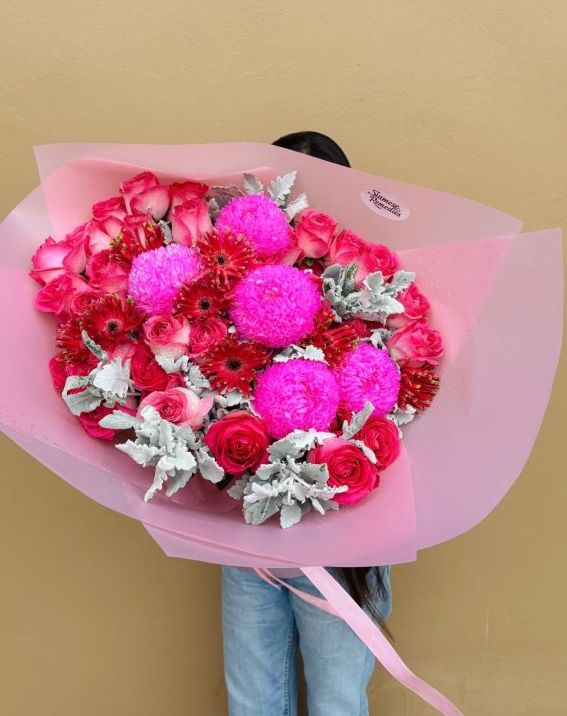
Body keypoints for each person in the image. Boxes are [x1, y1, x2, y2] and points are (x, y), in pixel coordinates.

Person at [221, 130, 393, 716]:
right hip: (249, 531)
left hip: (345, 533)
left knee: (338, 701)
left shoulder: (375, 290)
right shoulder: (229, 289)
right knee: (252, 702)